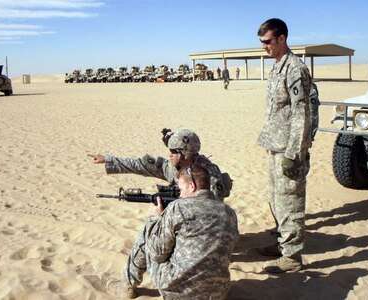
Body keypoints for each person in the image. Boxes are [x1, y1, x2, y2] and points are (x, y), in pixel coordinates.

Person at [104, 164, 240, 298]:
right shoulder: (230, 213)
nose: (180, 195)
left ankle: (127, 285)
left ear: (192, 186)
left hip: (178, 292)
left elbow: (157, 253)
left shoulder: (178, 208)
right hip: (218, 293)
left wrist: (154, 219)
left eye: (181, 189)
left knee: (149, 232)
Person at [256, 18, 312, 273]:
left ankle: (292, 257)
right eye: (262, 43)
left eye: (267, 42)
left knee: (290, 201)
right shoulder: (277, 68)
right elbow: (277, 111)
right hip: (276, 146)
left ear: (281, 39)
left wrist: (294, 153)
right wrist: (271, 141)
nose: (264, 47)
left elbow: (302, 114)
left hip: (289, 151)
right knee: (276, 199)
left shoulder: (295, 69)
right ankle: (283, 244)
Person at [88, 128, 232, 202]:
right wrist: (108, 159)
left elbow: (215, 211)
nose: (170, 155)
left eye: (173, 151)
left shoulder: (210, 176)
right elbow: (140, 165)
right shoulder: (173, 168)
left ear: (185, 154)